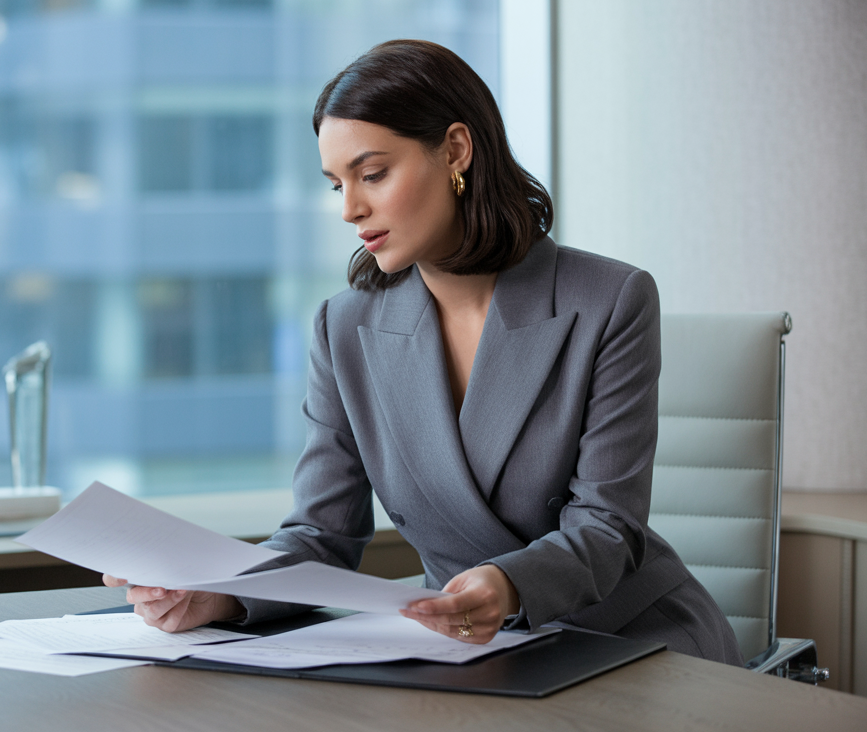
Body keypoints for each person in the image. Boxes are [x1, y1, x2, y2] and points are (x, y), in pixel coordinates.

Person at [104, 39, 743, 666]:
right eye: (336, 184)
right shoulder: (343, 326)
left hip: (629, 636)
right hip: (465, 647)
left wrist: (508, 584)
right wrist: (218, 593)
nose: (351, 208)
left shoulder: (609, 299)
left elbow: (607, 528)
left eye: (373, 174)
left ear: (456, 150)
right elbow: (322, 534)